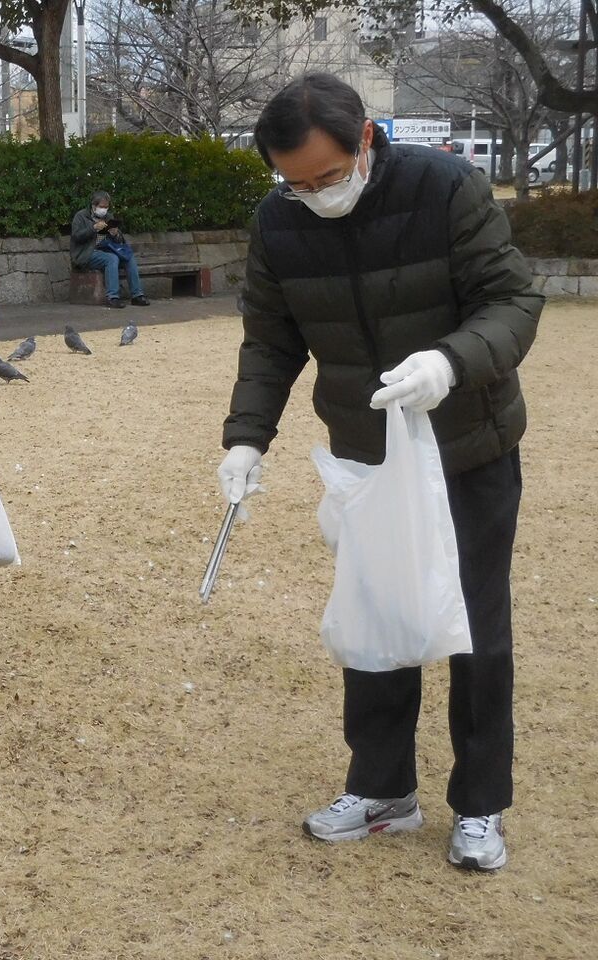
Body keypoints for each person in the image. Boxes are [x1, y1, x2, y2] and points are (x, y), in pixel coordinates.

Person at [216, 73, 542, 871]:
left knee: (475, 623)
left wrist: (449, 362)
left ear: (366, 139)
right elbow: (271, 340)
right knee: (375, 616)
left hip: (468, 441)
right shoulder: (279, 221)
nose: (315, 195)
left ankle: (481, 803)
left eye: (327, 176)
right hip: (366, 449)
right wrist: (246, 441)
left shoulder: (446, 187)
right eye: (294, 184)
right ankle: (383, 788)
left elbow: (513, 300)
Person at [70, 191, 149, 308]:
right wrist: (93, 228)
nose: (104, 209)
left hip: (107, 249)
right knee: (111, 258)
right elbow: (76, 237)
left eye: (106, 207)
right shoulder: (81, 216)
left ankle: (137, 295)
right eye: (101, 206)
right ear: (93, 205)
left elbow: (119, 240)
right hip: (87, 254)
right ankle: (113, 297)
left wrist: (115, 234)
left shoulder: (108, 217)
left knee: (129, 257)